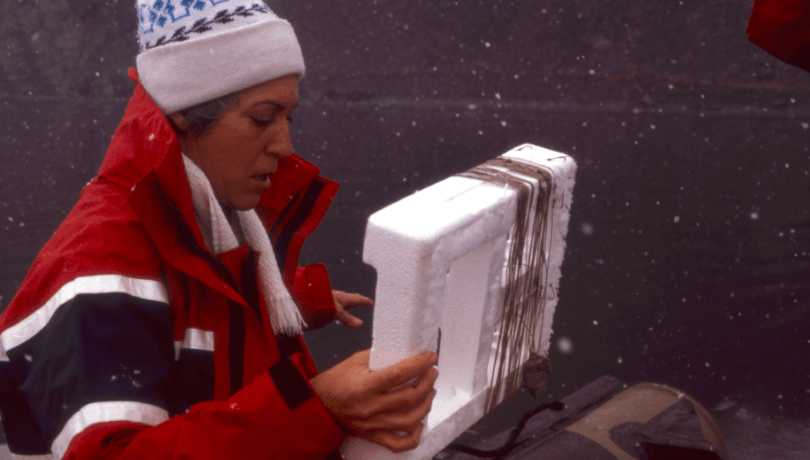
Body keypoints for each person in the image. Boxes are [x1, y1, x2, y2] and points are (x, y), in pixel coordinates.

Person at [0, 1, 438, 459]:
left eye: (288, 117)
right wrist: (315, 407)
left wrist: (295, 300)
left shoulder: (196, 217)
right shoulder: (98, 265)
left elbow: (191, 301)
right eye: (263, 117)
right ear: (184, 113)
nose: (285, 145)